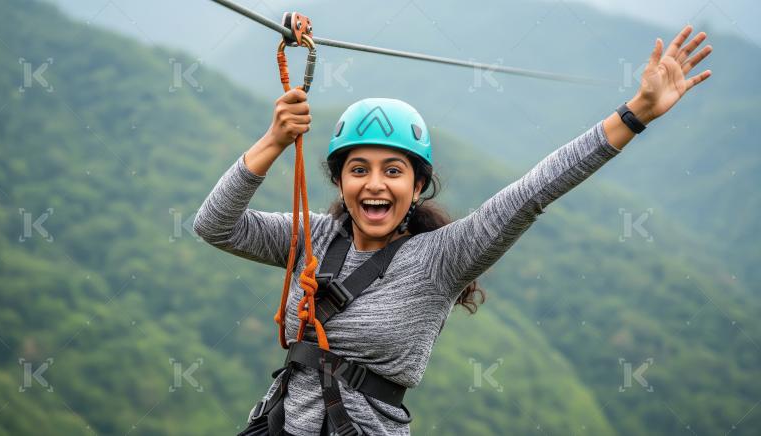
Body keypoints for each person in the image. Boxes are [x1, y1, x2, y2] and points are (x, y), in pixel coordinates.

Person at [193, 25, 711, 436]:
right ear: (341, 181)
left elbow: (533, 192)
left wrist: (635, 113)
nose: (375, 185)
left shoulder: (442, 258)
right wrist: (273, 140)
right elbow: (215, 226)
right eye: (359, 169)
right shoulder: (312, 236)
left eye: (393, 171)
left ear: (418, 187)